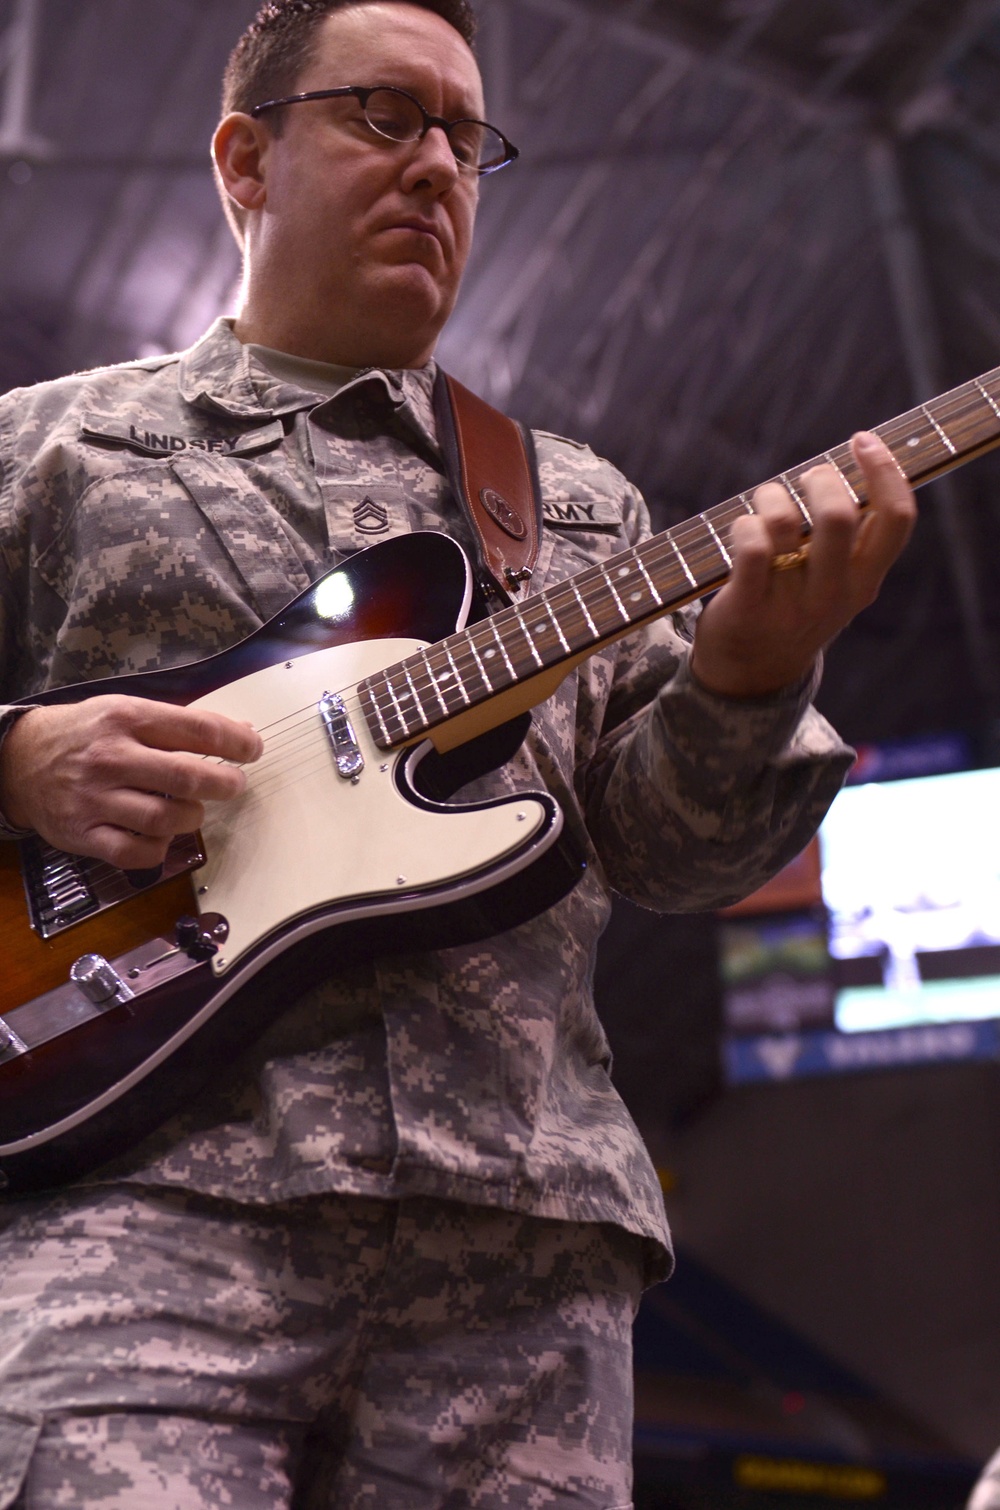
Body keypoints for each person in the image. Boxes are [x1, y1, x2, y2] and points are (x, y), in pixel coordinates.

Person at [0, 1, 916, 1505]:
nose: (438, 164)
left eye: (466, 137)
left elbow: (674, 851)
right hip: (140, 1216)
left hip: (519, 1261)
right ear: (245, 157)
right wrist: (21, 754)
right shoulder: (48, 454)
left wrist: (751, 676)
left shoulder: (582, 511)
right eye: (384, 115)